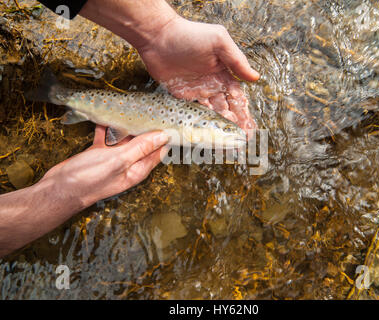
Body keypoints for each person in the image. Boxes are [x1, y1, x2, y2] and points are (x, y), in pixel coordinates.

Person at [0, 0, 259, 258]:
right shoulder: (192, 129)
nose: (234, 138)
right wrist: (65, 194)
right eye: (226, 131)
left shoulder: (195, 125)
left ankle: (63, 96)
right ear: (201, 127)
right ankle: (59, 95)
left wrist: (162, 31)